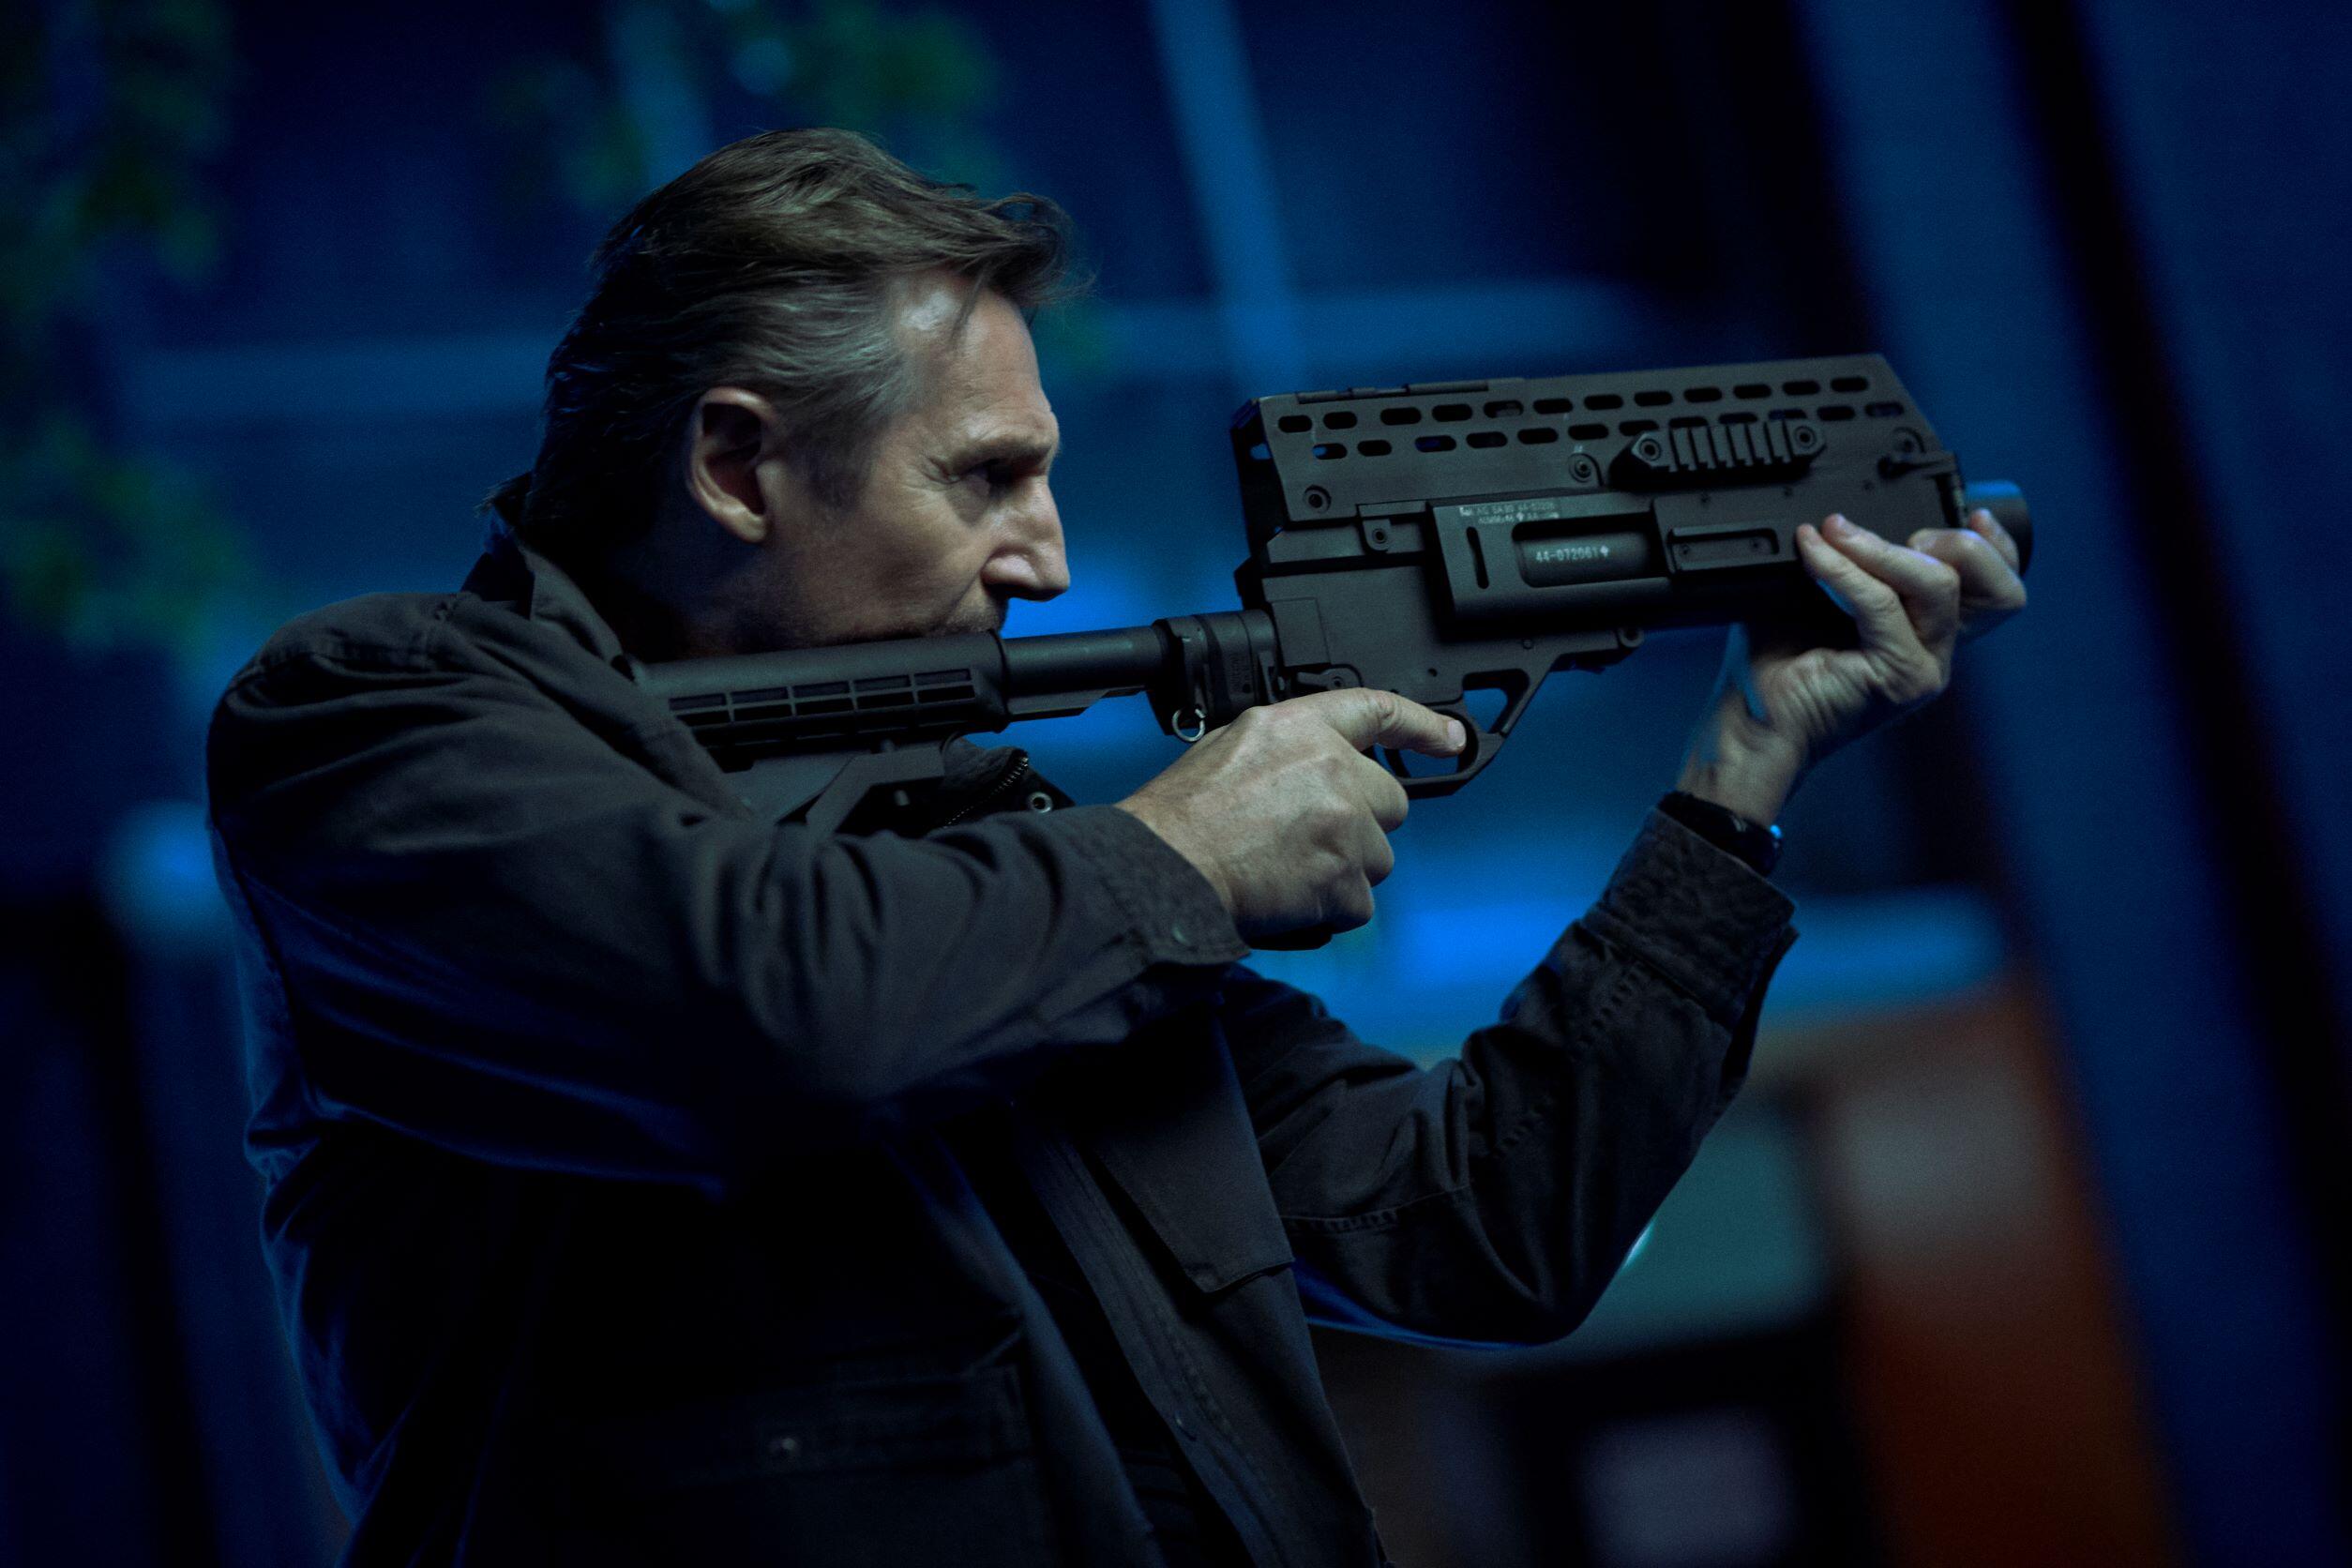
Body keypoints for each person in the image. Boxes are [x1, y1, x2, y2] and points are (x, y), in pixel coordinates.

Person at [205, 128, 2026, 1567]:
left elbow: (1482, 1229)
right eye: (985, 476)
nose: (1051, 555)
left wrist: (1743, 767)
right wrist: (1180, 857)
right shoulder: (373, 723)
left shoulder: (989, 863)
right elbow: (764, 1007)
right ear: (740, 467)